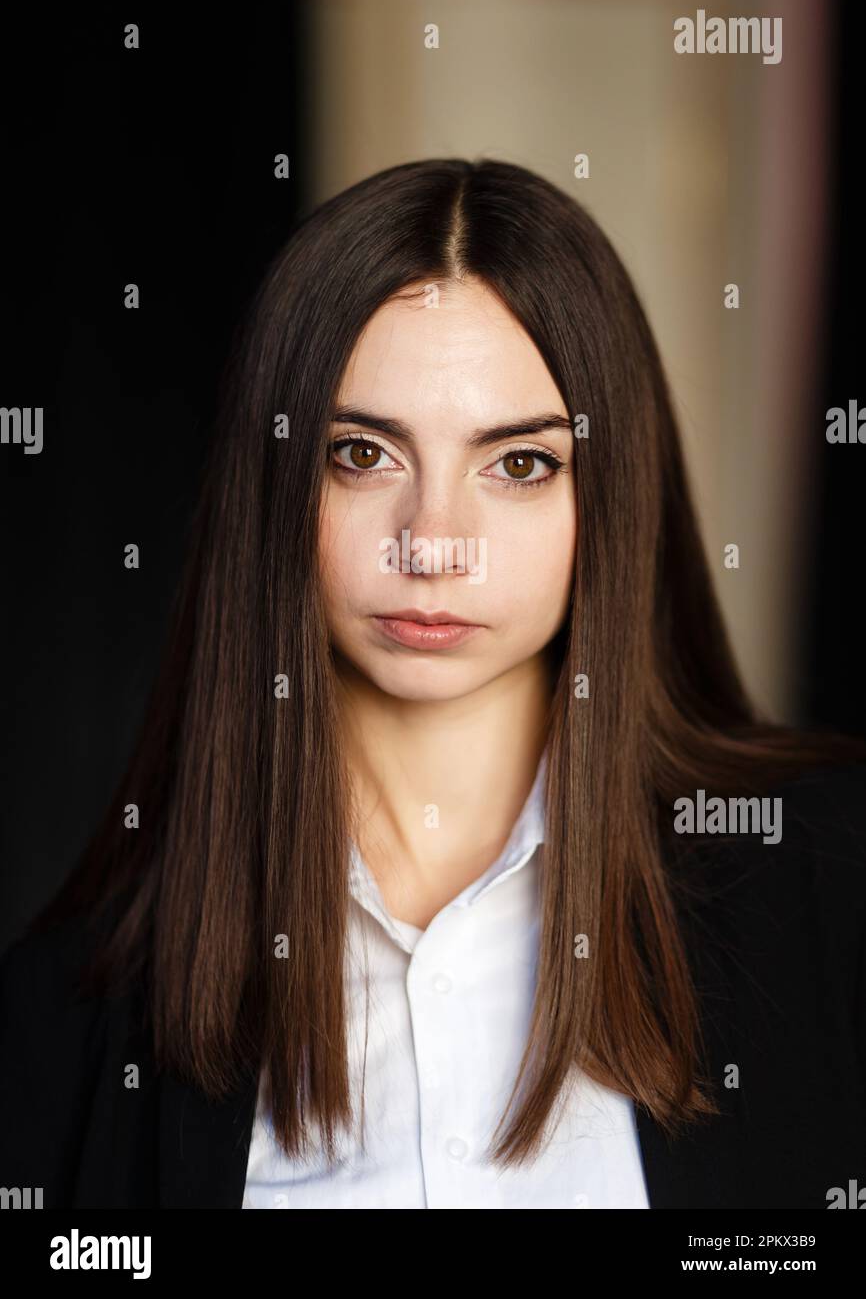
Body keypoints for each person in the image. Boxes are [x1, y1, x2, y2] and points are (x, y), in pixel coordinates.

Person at [2, 157, 865, 1209]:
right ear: (272, 484)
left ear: (612, 496)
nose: (433, 544)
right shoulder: (69, 1021)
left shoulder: (826, 883)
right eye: (361, 453)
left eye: (519, 464)